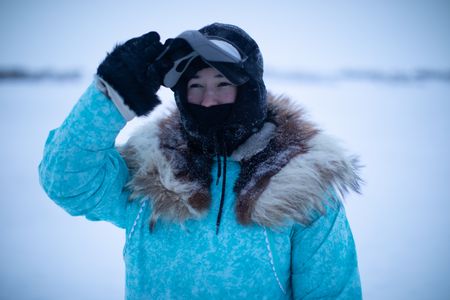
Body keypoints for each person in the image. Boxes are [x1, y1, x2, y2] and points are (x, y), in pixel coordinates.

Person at [39, 23, 363, 299]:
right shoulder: (150, 171)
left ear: (250, 88)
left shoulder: (301, 184)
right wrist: (111, 97)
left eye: (223, 84)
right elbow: (67, 181)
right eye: (195, 86)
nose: (208, 99)